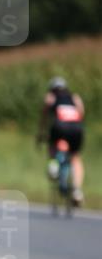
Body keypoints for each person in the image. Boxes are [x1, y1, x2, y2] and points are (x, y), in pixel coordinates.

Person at [37, 76, 85, 204]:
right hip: (76, 128)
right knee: (75, 157)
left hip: (59, 126)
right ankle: (77, 190)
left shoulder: (51, 97)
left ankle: (53, 165)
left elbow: (45, 116)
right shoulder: (74, 97)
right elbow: (81, 112)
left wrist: (41, 133)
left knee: (52, 147)